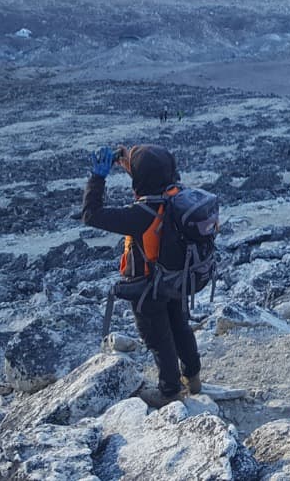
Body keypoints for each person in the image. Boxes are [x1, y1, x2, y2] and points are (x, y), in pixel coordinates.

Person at [81, 144, 201, 407]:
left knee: (159, 338)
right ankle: (193, 377)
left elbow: (91, 215)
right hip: (176, 278)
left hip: (148, 288)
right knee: (180, 327)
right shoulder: (180, 197)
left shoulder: (140, 215)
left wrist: (98, 178)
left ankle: (169, 392)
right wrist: (130, 164)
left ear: (141, 178)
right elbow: (154, 175)